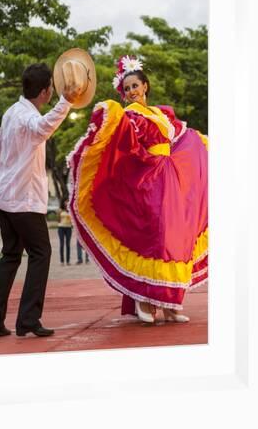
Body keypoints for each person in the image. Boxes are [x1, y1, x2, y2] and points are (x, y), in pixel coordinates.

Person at [67, 55, 208, 324]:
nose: (131, 91)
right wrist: (110, 112)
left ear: (145, 86)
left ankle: (170, 304)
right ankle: (144, 301)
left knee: (174, 239)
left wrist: (200, 146)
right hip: (148, 178)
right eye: (127, 88)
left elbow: (181, 137)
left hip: (171, 178)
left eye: (135, 86)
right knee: (153, 238)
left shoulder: (161, 113)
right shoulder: (130, 115)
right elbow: (127, 142)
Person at [0, 59, 86, 338]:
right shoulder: (27, 117)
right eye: (52, 87)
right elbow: (41, 127)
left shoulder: (11, 112)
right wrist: (65, 102)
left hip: (5, 197)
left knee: (10, 256)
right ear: (45, 92)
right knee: (41, 253)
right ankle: (28, 319)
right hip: (22, 200)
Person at [57, 200, 73, 265]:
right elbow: (58, 220)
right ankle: (62, 261)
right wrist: (58, 213)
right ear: (63, 203)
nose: (66, 202)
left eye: (67, 201)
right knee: (61, 244)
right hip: (61, 228)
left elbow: (73, 220)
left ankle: (68, 261)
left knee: (68, 245)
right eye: (65, 201)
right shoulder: (60, 210)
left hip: (69, 228)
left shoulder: (70, 210)